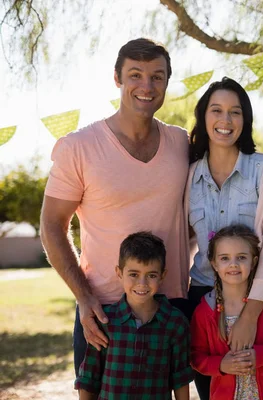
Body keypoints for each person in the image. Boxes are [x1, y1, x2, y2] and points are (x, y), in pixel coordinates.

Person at [40, 38, 190, 376]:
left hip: (170, 306)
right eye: (135, 74)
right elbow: (51, 225)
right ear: (117, 79)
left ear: (167, 82)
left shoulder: (181, 143)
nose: (147, 86)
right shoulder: (78, 147)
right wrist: (84, 297)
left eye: (157, 76)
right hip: (105, 311)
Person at [184, 76, 263, 399]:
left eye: (235, 112)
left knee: (259, 389)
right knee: (213, 390)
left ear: (246, 120)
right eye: (216, 110)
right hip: (204, 300)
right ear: (204, 117)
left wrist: (250, 316)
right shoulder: (190, 176)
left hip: (258, 300)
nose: (225, 120)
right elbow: (184, 241)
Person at [75, 232, 195, 400]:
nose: (142, 283)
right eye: (134, 274)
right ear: (119, 273)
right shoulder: (105, 321)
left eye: (151, 275)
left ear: (162, 276)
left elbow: (180, 377)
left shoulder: (175, 323)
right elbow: (90, 376)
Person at [190, 224, 263, 400]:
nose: (233, 264)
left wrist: (261, 356)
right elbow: (196, 356)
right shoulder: (205, 310)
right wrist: (221, 365)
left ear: (254, 261)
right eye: (224, 258)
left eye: (241, 257)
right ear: (214, 264)